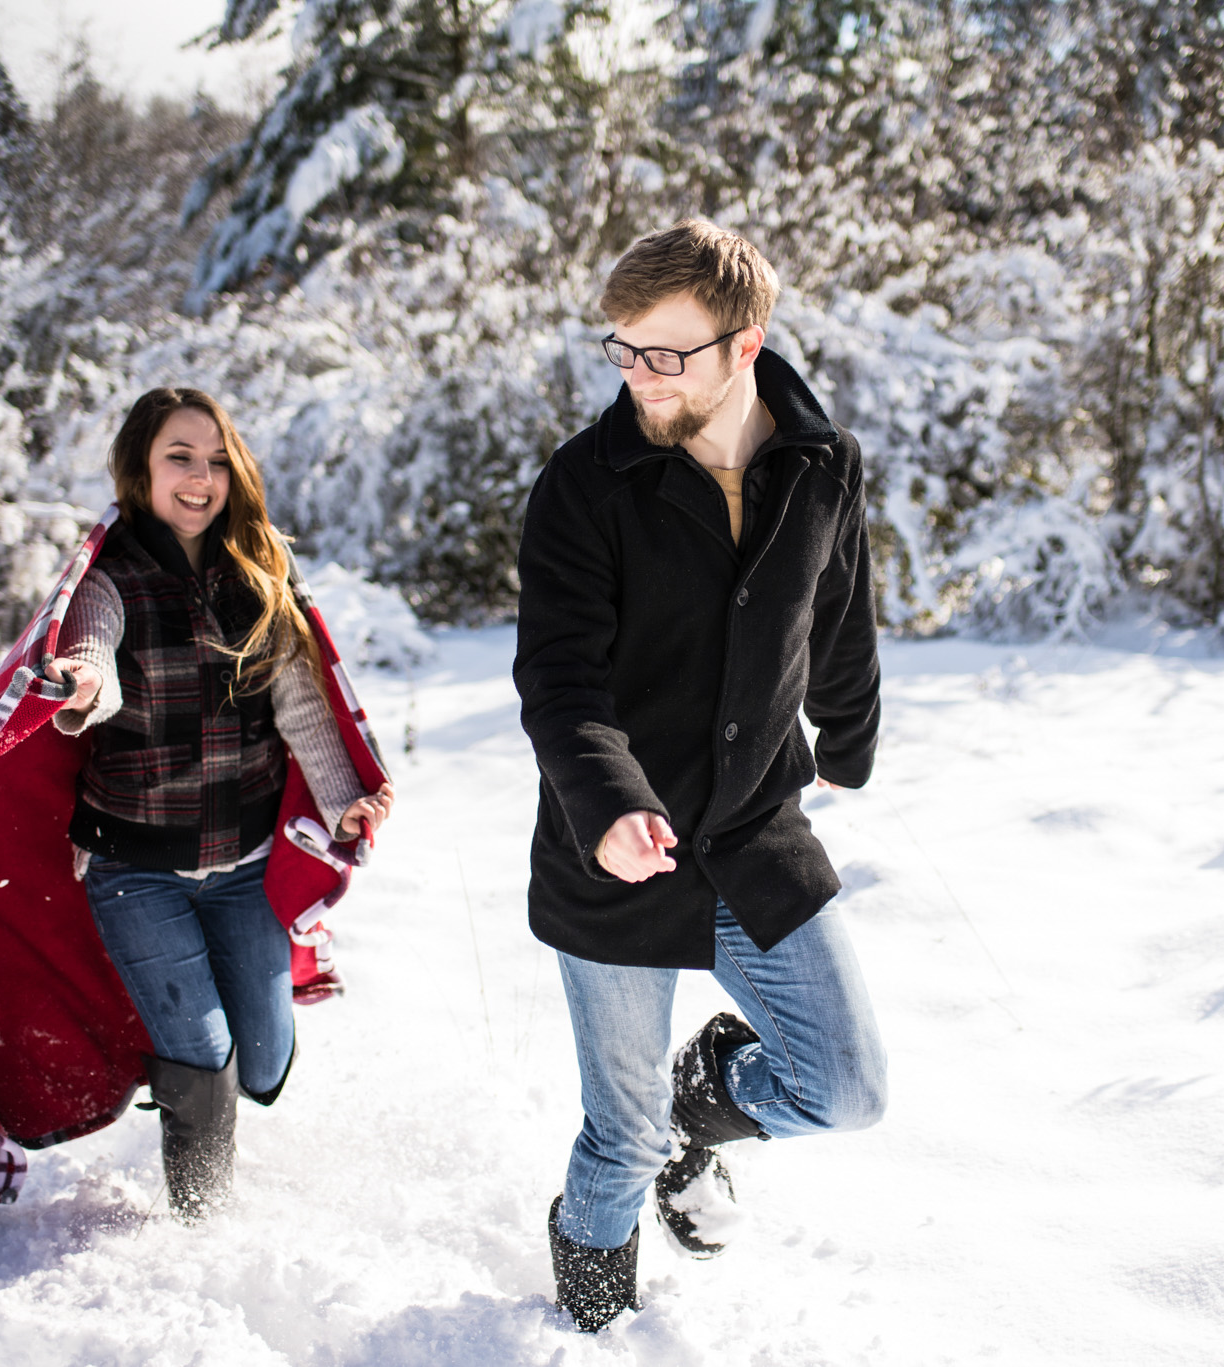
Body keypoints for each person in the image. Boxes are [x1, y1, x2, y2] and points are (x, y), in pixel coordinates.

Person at [513, 221, 888, 1330]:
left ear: (746, 344)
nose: (637, 377)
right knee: (616, 1137)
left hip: (752, 831)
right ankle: (586, 1323)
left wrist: (850, 735)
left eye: (664, 355)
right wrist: (610, 801)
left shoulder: (819, 465)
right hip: (616, 847)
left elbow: (838, 614)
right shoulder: (586, 485)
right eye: (622, 349)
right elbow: (558, 676)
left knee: (845, 1088)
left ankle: (702, 1104)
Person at [40, 386, 395, 1219]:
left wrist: (342, 800)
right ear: (140, 468)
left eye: (214, 461)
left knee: (262, 1064)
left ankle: (184, 1068)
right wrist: (84, 682)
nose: (200, 478)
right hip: (135, 866)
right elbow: (92, 646)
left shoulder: (258, 574)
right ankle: (205, 1230)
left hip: (244, 867)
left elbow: (302, 705)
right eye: (179, 458)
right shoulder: (112, 576)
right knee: (204, 1060)